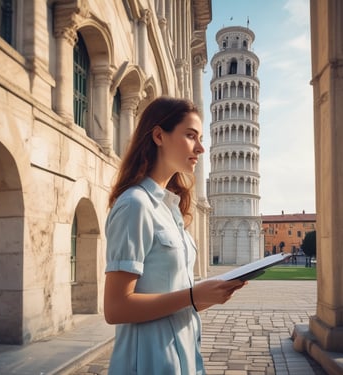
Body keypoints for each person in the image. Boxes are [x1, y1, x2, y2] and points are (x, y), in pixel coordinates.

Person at [104, 96, 246, 374]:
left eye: (200, 137)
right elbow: (116, 307)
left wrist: (208, 296)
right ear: (159, 135)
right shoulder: (135, 205)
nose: (201, 148)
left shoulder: (171, 209)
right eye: (190, 136)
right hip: (147, 364)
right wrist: (193, 296)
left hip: (186, 360)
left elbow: (172, 298)